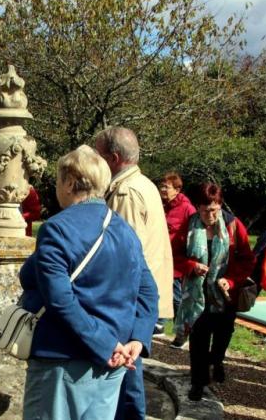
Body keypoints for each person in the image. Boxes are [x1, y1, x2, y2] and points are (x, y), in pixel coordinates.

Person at [20, 145, 158, 420]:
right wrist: (137, 340)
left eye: (59, 180)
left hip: (64, 359)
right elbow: (148, 290)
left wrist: (106, 344)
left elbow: (60, 300)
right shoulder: (124, 230)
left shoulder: (56, 228)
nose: (57, 187)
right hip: (115, 361)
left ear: (70, 182)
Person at [94, 126, 172, 420]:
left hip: (128, 300)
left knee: (125, 375)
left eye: (99, 155)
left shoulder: (125, 193)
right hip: (138, 299)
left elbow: (122, 255)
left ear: (113, 158)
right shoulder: (144, 184)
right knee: (128, 372)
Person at [174, 182, 254, 401]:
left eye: (215, 210)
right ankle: (198, 383)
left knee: (222, 337)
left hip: (225, 296)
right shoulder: (188, 225)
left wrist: (231, 279)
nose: (210, 215)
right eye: (205, 210)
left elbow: (248, 259)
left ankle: (217, 361)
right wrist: (191, 266)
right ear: (197, 207)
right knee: (198, 340)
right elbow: (175, 254)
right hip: (197, 295)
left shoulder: (234, 225)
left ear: (220, 206)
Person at [159, 172, 197, 349]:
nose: (162, 190)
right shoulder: (161, 205)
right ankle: (158, 324)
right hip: (161, 258)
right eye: (162, 186)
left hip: (178, 262)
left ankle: (181, 334)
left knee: (176, 298)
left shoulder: (187, 209)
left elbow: (194, 234)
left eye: (166, 187)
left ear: (177, 189)